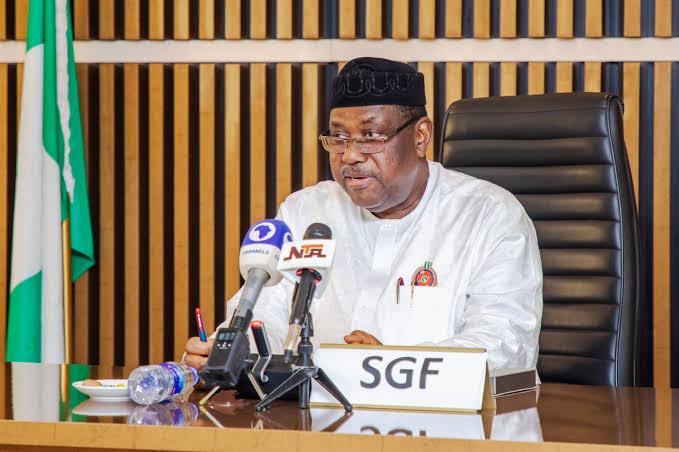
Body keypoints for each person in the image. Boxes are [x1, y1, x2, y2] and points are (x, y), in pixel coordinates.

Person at [184, 57, 543, 374]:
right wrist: (230, 350)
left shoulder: (489, 216)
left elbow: (505, 346)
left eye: (370, 136)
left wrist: (392, 367)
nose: (350, 155)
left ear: (420, 137)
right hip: (316, 418)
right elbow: (267, 314)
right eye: (338, 138)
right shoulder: (305, 211)